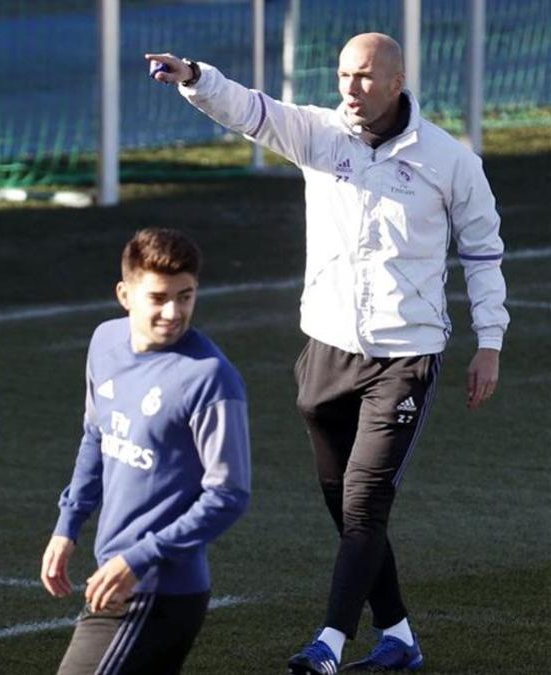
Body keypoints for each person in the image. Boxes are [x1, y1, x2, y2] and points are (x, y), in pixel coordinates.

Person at [145, 31, 509, 673]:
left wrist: (491, 343)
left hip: (406, 358)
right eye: (343, 75)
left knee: (366, 502)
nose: (350, 88)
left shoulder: (451, 161)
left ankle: (330, 645)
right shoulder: (318, 133)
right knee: (345, 505)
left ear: (397, 82)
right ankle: (397, 635)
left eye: (365, 77)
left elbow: (482, 253)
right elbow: (251, 109)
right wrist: (194, 77)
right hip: (325, 352)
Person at [41, 228, 251, 675]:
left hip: (161, 591)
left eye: (186, 296)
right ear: (125, 293)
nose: (173, 312)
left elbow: (229, 493)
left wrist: (139, 558)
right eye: (158, 297)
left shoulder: (210, 379)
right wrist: (68, 525)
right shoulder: (105, 343)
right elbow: (97, 435)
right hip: (120, 579)